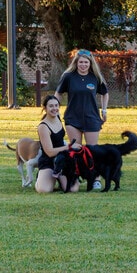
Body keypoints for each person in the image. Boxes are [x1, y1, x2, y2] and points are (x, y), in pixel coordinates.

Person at [54, 49, 109, 190]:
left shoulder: (95, 77)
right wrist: (55, 109)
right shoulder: (68, 76)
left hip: (91, 118)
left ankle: (96, 178)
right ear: (76, 63)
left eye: (86, 62)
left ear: (90, 64)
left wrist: (104, 109)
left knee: (92, 150)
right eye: (81, 62)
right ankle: (75, 176)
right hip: (73, 118)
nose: (83, 65)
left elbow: (105, 94)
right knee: (76, 150)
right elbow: (58, 93)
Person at [34, 94, 81, 193]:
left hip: (62, 159)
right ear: (45, 108)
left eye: (56, 105)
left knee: (73, 189)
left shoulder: (58, 117)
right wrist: (69, 147)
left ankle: (60, 178)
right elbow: (50, 152)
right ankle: (41, 177)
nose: (54, 108)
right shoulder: (43, 126)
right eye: (51, 106)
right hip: (48, 160)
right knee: (44, 190)